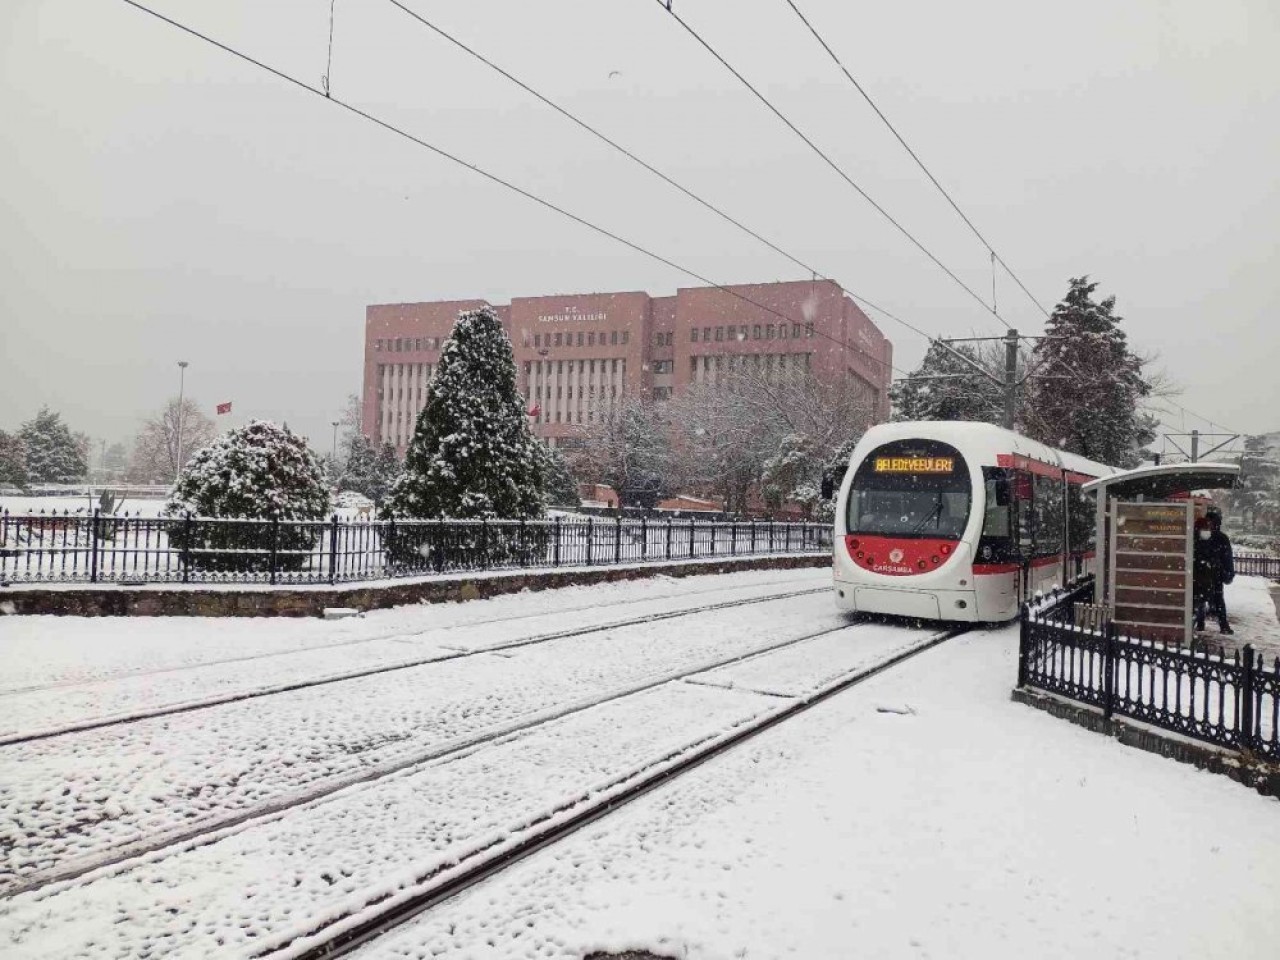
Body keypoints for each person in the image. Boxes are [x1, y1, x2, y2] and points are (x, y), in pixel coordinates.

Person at [1193, 507, 1235, 634]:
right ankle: (1222, 625)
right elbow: (1227, 557)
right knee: (1217, 599)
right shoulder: (1220, 537)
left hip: (1203, 573)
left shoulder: (1199, 535)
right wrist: (1228, 572)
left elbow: (1194, 552)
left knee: (1201, 598)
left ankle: (1201, 623)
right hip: (1214, 573)